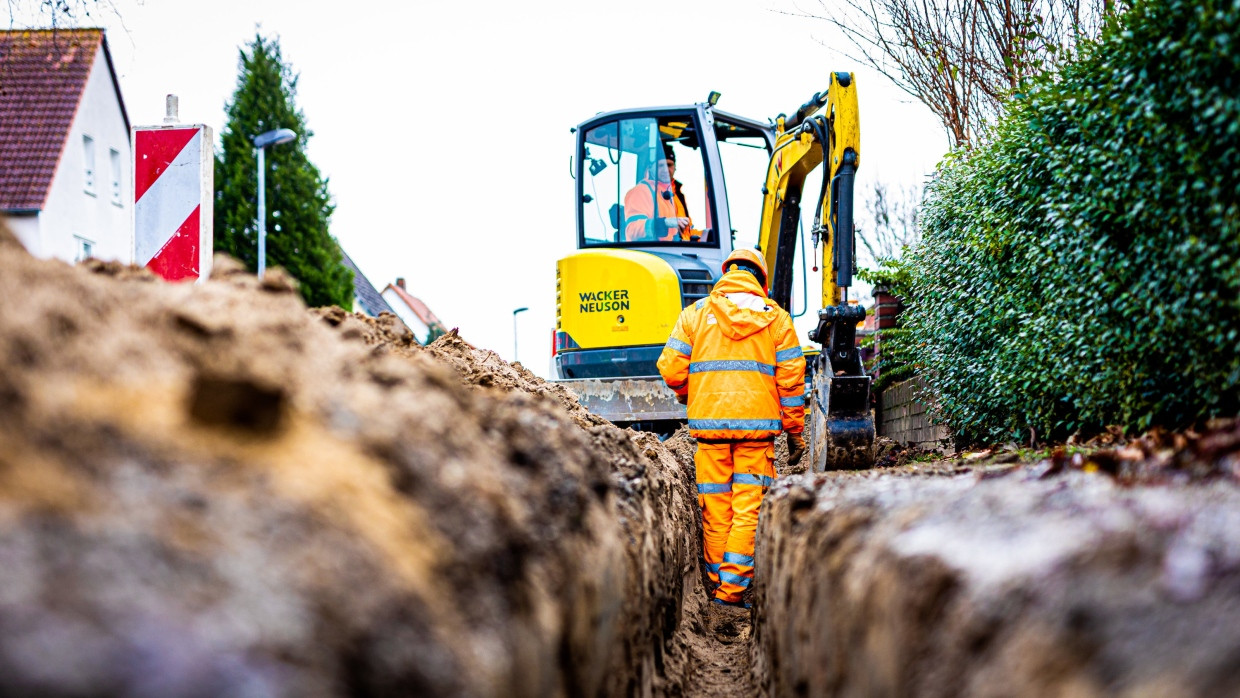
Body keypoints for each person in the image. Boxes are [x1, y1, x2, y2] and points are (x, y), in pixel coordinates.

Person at [656, 248, 807, 608]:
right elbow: (791, 384)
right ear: (761, 280)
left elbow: (671, 369)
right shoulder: (778, 320)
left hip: (709, 433)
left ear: (726, 273)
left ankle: (717, 586)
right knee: (748, 511)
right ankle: (731, 592)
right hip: (757, 436)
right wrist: (795, 432)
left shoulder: (694, 315)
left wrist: (690, 394)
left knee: (716, 509)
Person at [623, 145, 701, 241]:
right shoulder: (640, 191)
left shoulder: (677, 195)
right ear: (650, 167)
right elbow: (632, 229)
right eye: (660, 165)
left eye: (669, 165)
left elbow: (687, 233)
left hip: (678, 253)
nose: (665, 170)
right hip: (654, 253)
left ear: (675, 167)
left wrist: (707, 235)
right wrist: (664, 223)